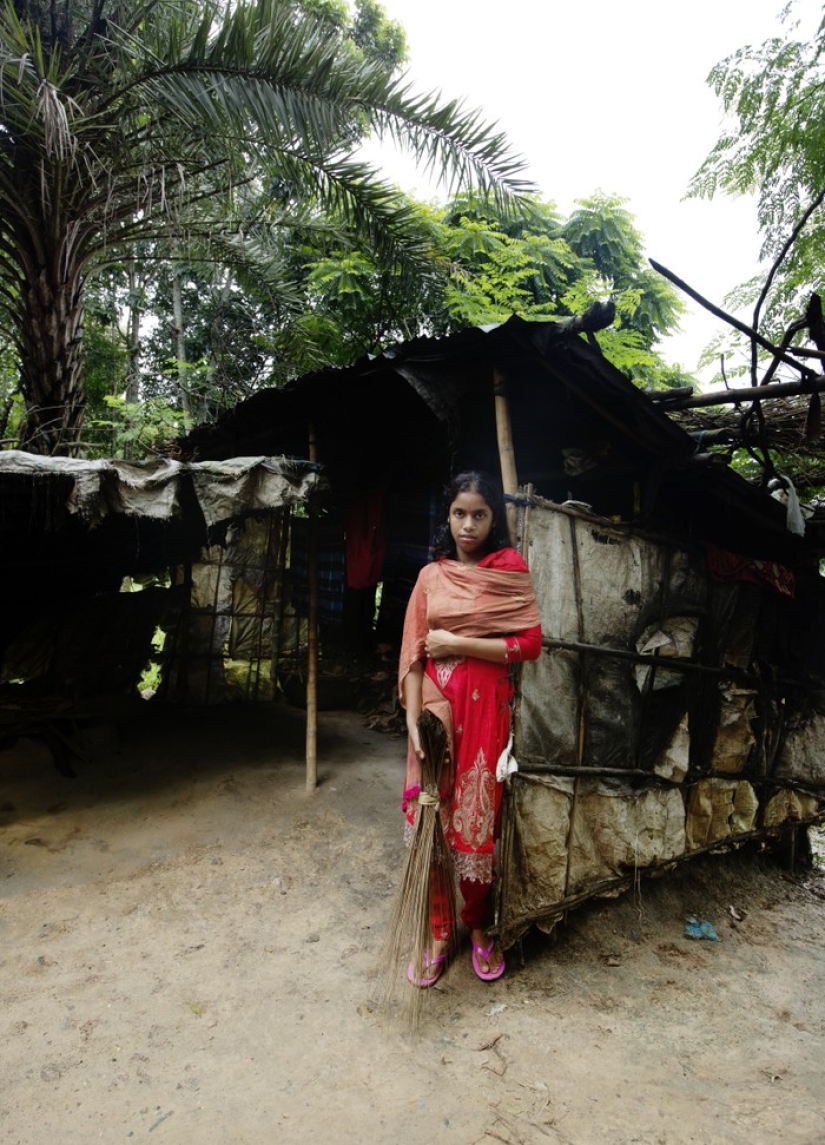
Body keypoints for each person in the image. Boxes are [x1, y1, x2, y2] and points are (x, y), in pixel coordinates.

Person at [398, 471, 542, 986]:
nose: (468, 524)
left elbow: (529, 645)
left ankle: (477, 926)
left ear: (493, 519)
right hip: (436, 717)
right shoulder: (430, 578)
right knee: (432, 823)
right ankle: (440, 931)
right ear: (448, 515)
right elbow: (414, 655)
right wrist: (415, 722)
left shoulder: (509, 572)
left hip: (486, 711)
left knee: (477, 825)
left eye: (479, 514)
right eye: (460, 512)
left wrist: (459, 645)